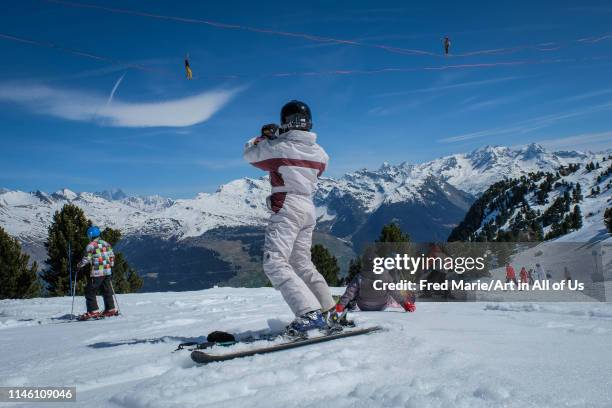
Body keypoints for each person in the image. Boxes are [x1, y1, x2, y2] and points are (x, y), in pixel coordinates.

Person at [243, 100, 335, 336]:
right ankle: (329, 311)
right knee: (302, 264)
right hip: (308, 207)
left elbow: (250, 156)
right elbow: (315, 167)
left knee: (274, 262)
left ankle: (308, 314)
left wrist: (264, 137)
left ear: (285, 122)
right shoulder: (321, 153)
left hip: (287, 207)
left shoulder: (279, 147)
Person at [77, 226, 117, 320]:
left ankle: (93, 311)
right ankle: (110, 309)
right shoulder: (106, 244)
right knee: (106, 290)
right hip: (107, 271)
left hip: (96, 272)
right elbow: (112, 256)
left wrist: (79, 265)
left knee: (90, 290)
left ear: (90, 235)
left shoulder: (91, 245)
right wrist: (111, 265)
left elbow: (87, 258)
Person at [336, 270, 416, 315]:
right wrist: (404, 303)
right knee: (389, 292)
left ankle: (351, 303)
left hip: (363, 307)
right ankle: (396, 301)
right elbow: (394, 292)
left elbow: (350, 292)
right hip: (381, 307)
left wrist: (340, 305)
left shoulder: (360, 276)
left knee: (356, 290)